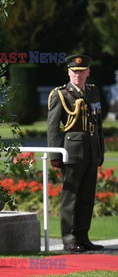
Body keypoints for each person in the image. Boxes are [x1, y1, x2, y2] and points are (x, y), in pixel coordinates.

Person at [47, 54, 105, 253]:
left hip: (91, 149)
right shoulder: (61, 94)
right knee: (70, 196)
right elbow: (53, 127)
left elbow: (99, 125)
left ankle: (83, 236)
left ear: (88, 72)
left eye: (81, 72)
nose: (77, 75)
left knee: (87, 196)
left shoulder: (93, 92)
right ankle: (69, 238)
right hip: (71, 151)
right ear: (69, 72)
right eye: (74, 72)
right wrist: (55, 155)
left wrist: (100, 150)